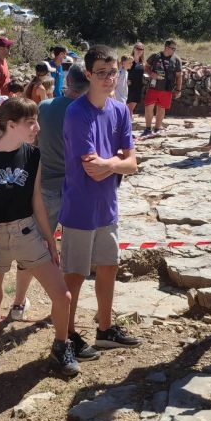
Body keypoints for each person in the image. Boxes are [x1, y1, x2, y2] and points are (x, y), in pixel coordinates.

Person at [0, 98, 79, 377]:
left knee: (62, 295)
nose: (37, 128)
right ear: (10, 125)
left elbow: (36, 200)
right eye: (30, 122)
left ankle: (61, 345)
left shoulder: (32, 155)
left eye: (37, 121)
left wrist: (49, 239)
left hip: (26, 231)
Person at [61, 45, 140, 362]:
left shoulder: (120, 110)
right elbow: (92, 169)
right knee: (75, 275)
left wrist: (112, 164)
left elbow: (132, 162)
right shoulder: (76, 113)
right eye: (102, 73)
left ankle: (105, 330)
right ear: (89, 75)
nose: (109, 78)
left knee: (109, 267)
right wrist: (115, 163)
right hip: (80, 206)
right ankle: (66, 336)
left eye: (113, 72)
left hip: (107, 205)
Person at [8, 66, 89, 320]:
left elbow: (32, 143)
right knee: (72, 250)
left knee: (35, 247)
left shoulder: (45, 108)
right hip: (78, 188)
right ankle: (63, 305)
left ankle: (19, 303)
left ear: (68, 83)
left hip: (47, 187)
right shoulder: (88, 112)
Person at [142, 39, 182, 137]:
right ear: (166, 47)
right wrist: (151, 73)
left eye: (175, 49)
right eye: (173, 48)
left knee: (161, 108)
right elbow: (146, 67)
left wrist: (178, 89)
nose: (174, 50)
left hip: (167, 88)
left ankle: (157, 128)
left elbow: (179, 76)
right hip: (153, 86)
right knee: (148, 107)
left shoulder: (176, 60)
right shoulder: (155, 56)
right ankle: (147, 128)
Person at [126, 43, 145, 117]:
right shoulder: (129, 59)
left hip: (138, 87)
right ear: (134, 49)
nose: (139, 51)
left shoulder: (142, 62)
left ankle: (128, 123)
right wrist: (125, 81)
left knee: (131, 109)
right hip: (128, 87)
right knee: (125, 107)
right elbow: (121, 71)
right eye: (137, 48)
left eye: (141, 49)